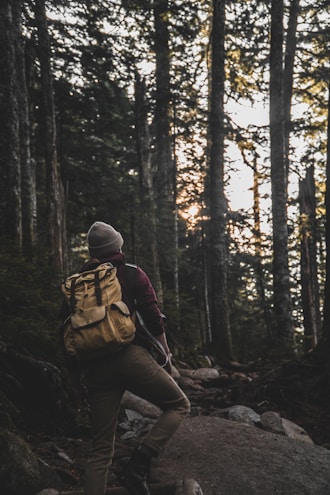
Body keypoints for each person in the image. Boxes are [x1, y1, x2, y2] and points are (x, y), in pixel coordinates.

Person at [63, 221, 190, 495]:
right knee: (179, 405)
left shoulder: (76, 284)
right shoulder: (132, 274)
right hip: (131, 357)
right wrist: (166, 358)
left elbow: (67, 333)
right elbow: (155, 321)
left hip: (95, 368)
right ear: (118, 246)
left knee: (100, 450)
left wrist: (75, 380)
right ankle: (140, 461)